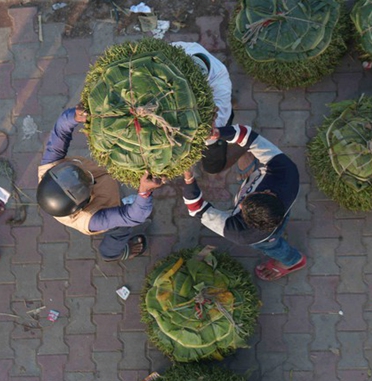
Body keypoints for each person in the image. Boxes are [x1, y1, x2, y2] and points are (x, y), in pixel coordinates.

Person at [37, 104, 164, 261]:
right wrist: (144, 191)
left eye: (74, 171)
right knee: (120, 230)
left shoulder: (50, 168)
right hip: (109, 209)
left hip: (105, 179)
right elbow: (133, 216)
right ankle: (112, 254)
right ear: (86, 202)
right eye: (85, 180)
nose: (82, 173)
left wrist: (74, 117)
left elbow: (60, 131)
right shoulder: (91, 219)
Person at [182, 125, 306, 281]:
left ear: (246, 220)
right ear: (268, 192)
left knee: (271, 245)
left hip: (266, 237)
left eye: (242, 207)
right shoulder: (287, 172)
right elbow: (251, 137)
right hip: (280, 210)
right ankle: (249, 172)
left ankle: (292, 261)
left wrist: (188, 178)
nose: (240, 204)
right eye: (247, 199)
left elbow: (197, 209)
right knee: (246, 154)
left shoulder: (242, 234)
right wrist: (219, 133)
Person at [171, 41, 233, 174]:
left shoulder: (220, 84)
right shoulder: (183, 49)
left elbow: (215, 126)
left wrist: (208, 127)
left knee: (213, 166)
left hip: (215, 120)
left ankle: (245, 150)